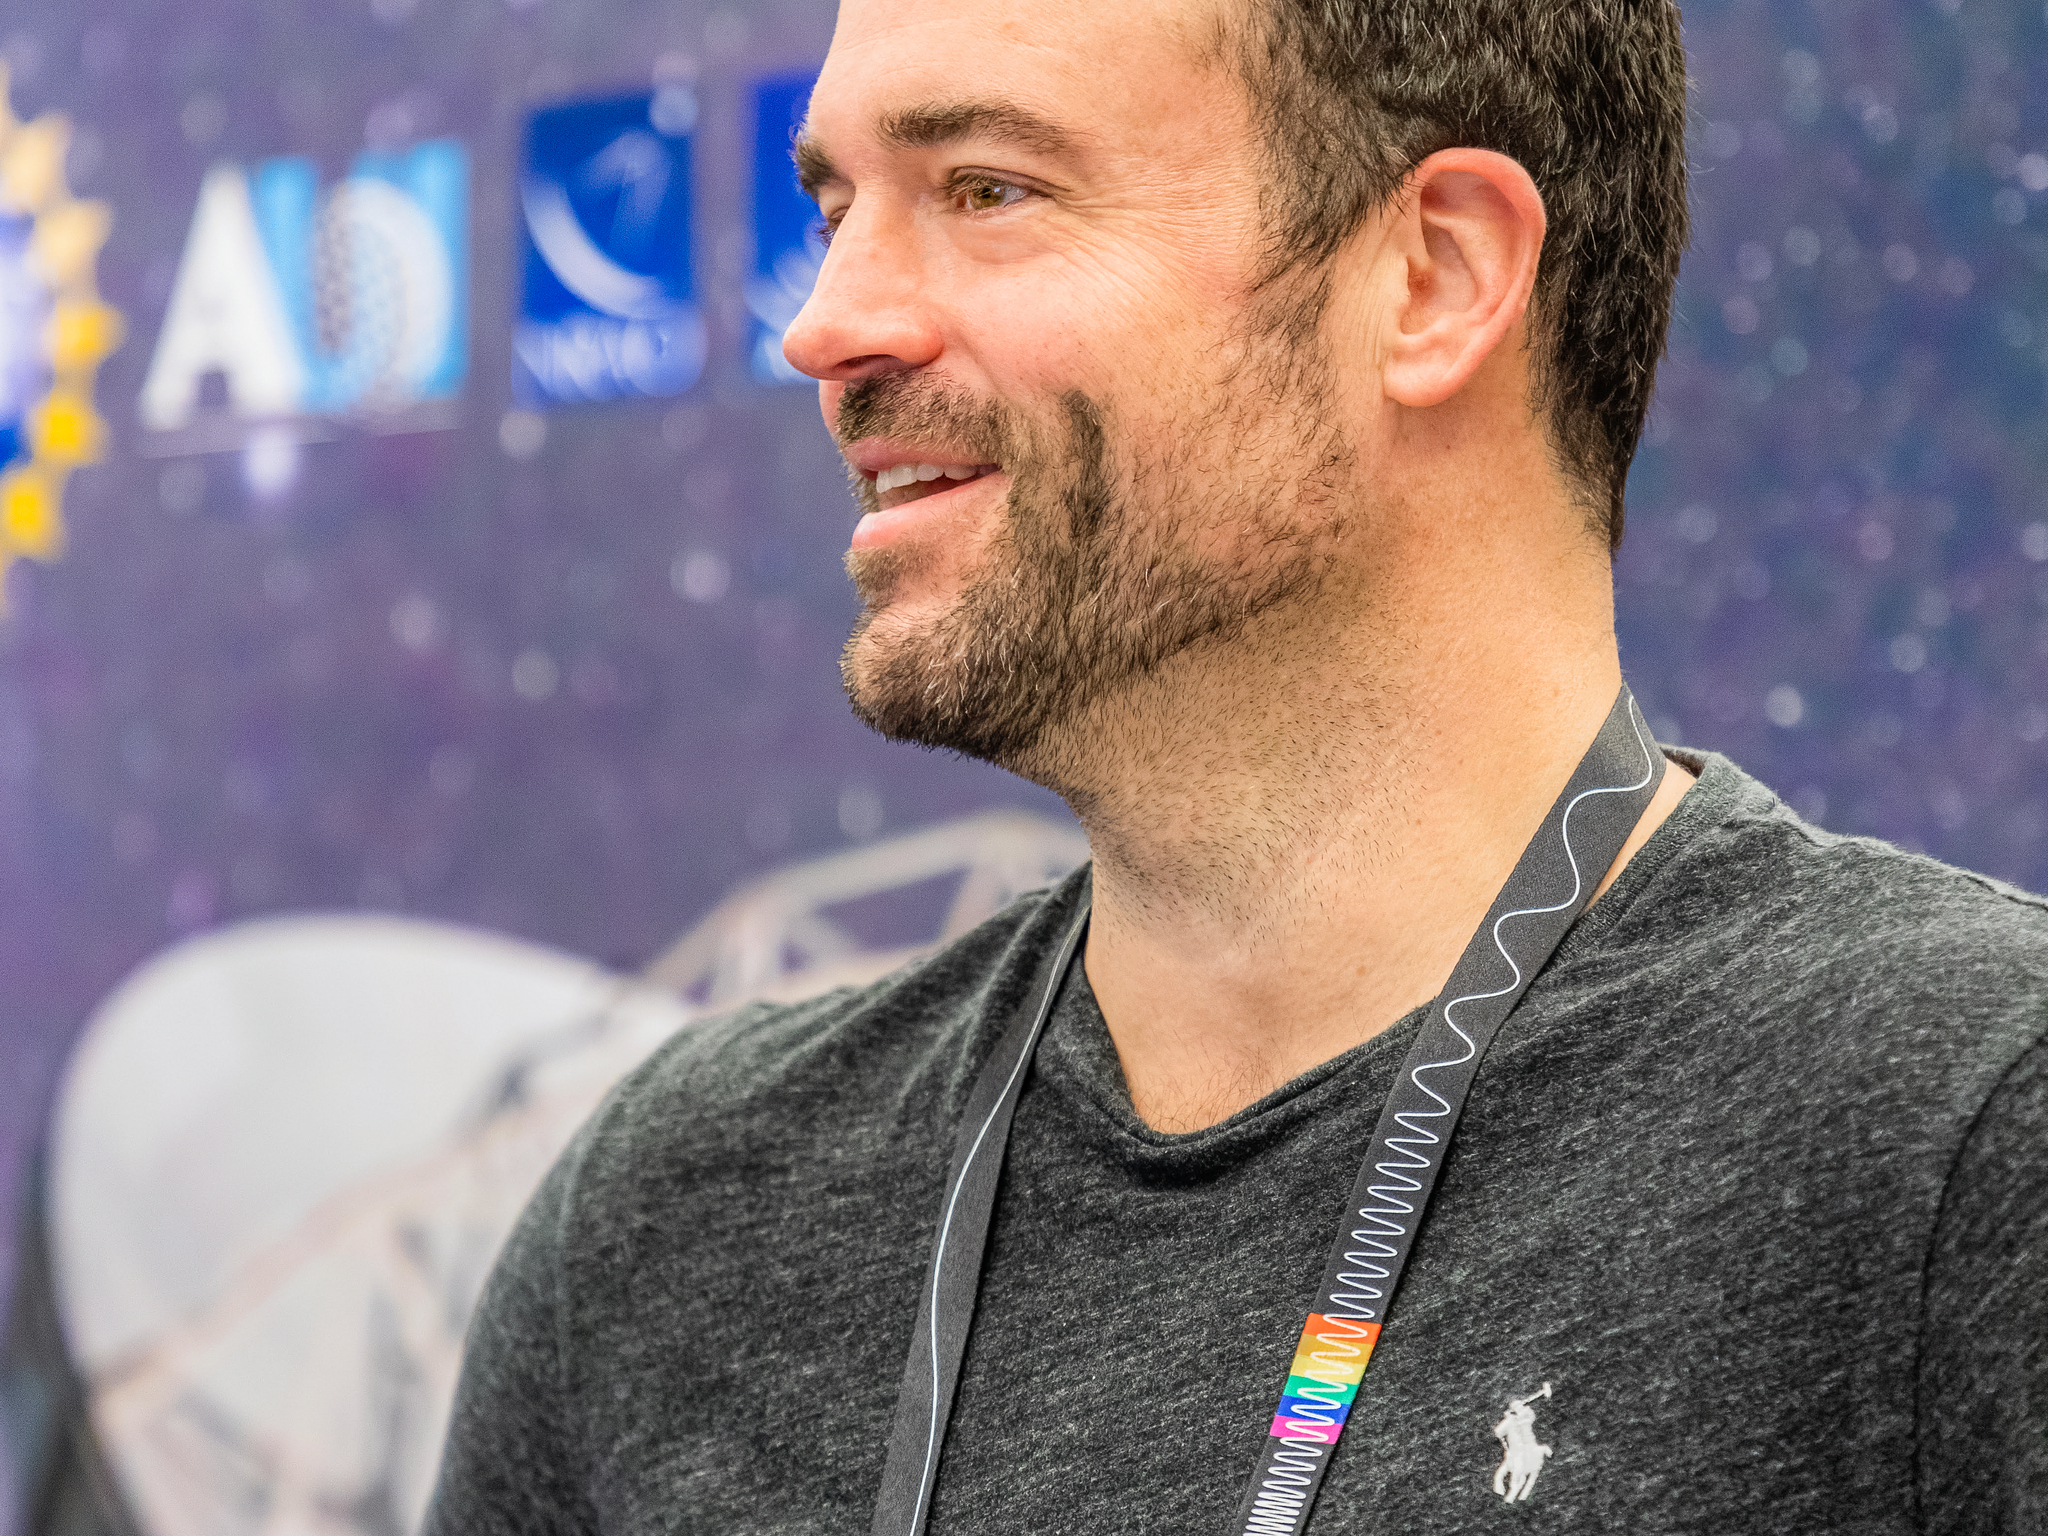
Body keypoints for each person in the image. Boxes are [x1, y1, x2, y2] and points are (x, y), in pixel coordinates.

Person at [425, 0, 2048, 1528]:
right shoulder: (676, 1232)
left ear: (1433, 276)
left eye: (986, 188)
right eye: (837, 206)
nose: (826, 325)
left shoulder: (1965, 1142)